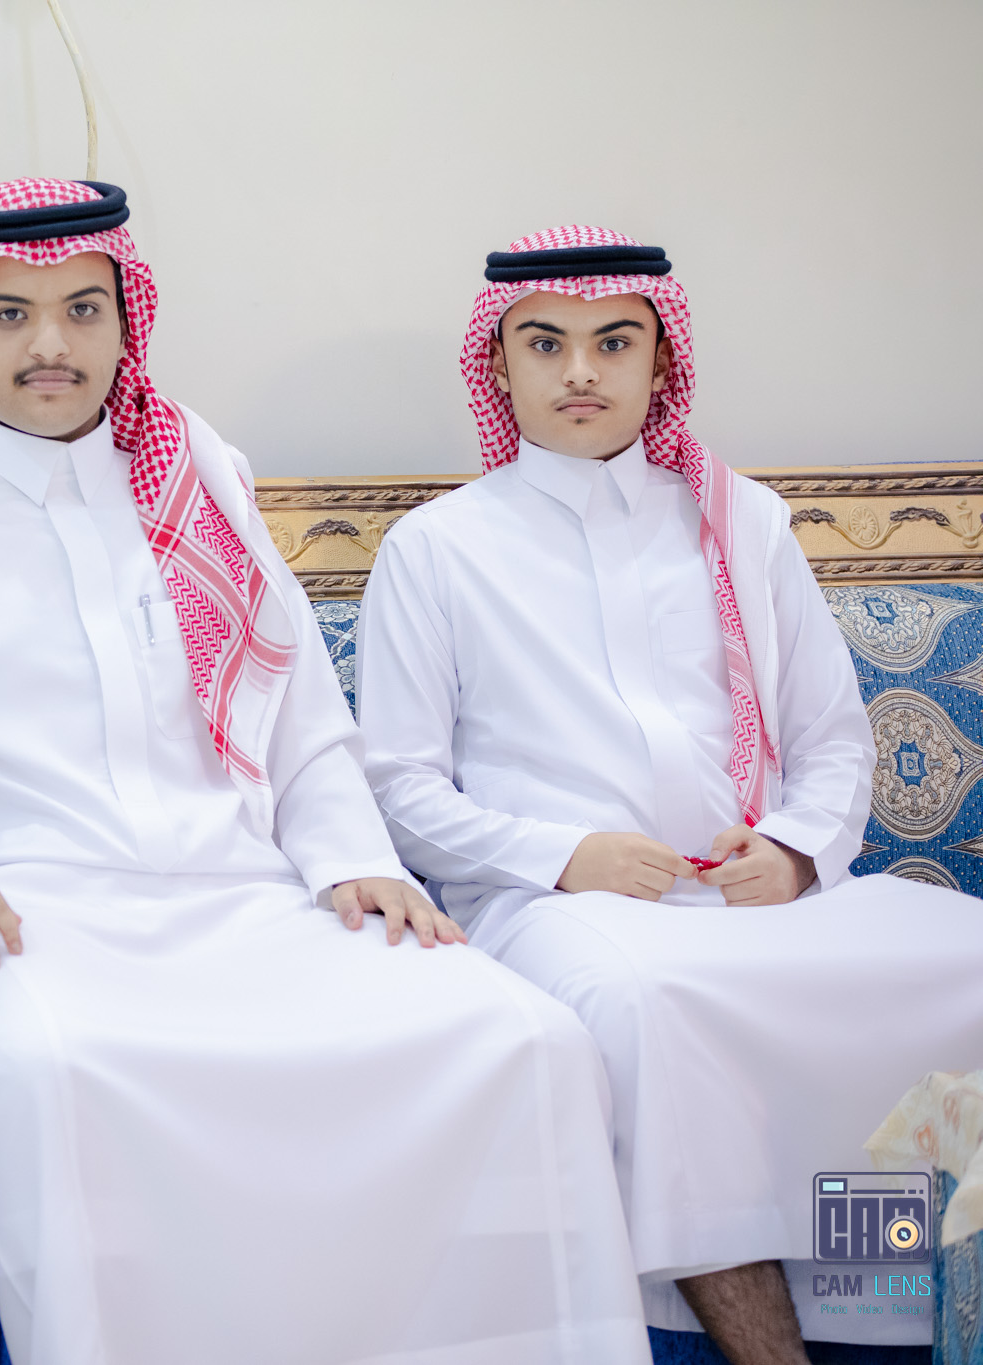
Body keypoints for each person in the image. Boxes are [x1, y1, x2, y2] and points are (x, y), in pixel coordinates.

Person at [0, 179, 650, 1365]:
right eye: (10, 315)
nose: (51, 344)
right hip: (42, 923)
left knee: (522, 1039)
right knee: (47, 1072)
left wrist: (351, 860)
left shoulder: (197, 489)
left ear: (124, 325)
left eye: (82, 309)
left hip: (252, 904)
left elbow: (299, 716)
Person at [356, 225, 983, 1364]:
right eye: (544, 343)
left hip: (760, 893)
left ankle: (874, 1311)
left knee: (958, 958)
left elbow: (832, 739)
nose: (580, 371)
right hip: (553, 905)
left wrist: (795, 850)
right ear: (497, 363)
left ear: (661, 361)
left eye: (613, 342)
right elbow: (397, 787)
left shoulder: (742, 522)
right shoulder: (435, 549)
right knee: (641, 1009)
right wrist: (565, 855)